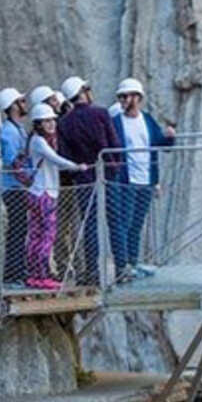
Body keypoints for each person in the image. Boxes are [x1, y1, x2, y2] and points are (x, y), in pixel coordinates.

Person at [55, 75, 121, 284]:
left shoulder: (65, 123)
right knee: (115, 221)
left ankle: (92, 271)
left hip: (83, 178)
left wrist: (77, 172)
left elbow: (65, 154)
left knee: (90, 225)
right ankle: (122, 267)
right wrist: (114, 166)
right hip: (107, 174)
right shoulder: (101, 114)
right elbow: (114, 143)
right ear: (83, 91)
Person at [111, 77, 176, 279]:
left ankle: (133, 262)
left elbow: (159, 144)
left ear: (138, 98)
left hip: (145, 179)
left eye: (127, 96)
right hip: (126, 180)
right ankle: (122, 266)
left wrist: (169, 137)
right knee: (125, 222)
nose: (124, 100)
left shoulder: (147, 120)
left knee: (137, 224)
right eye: (121, 96)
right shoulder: (116, 122)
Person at [24, 103, 88, 290]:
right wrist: (76, 166)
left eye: (52, 120)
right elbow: (55, 159)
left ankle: (34, 274)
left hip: (37, 191)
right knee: (47, 235)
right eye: (46, 121)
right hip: (45, 193)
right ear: (38, 124)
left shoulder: (35, 140)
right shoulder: (39, 141)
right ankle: (42, 275)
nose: (51, 124)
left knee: (36, 235)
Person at [0, 86, 30, 285]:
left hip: (18, 186)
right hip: (13, 187)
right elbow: (11, 160)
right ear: (13, 106)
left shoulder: (17, 129)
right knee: (17, 229)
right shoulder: (9, 131)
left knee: (20, 228)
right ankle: (12, 272)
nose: (25, 105)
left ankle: (17, 269)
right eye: (21, 101)